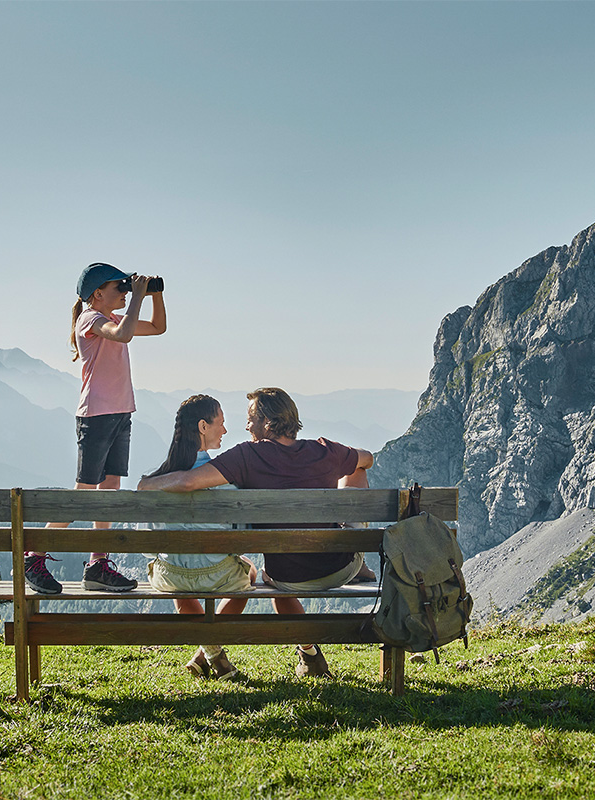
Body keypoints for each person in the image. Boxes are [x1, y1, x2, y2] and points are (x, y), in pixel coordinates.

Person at [138, 387, 374, 678]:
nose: (246, 425)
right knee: (356, 471)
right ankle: (358, 560)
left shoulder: (247, 457)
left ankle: (209, 652)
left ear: (267, 422)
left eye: (251, 418)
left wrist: (146, 484)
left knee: (266, 577)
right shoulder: (326, 450)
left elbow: (188, 482)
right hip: (342, 565)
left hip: (286, 578)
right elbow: (368, 459)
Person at [24, 262, 166, 595]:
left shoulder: (114, 316)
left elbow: (159, 327)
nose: (124, 291)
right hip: (96, 416)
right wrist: (138, 297)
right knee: (84, 492)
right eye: (119, 287)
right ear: (97, 294)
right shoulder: (90, 319)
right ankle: (35, 556)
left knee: (111, 488)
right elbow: (125, 334)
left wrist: (154, 294)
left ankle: (98, 563)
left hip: (119, 412)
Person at [141, 394, 255, 682]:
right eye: (221, 423)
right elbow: (239, 537)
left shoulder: (158, 480)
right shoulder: (225, 482)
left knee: (181, 579)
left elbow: (150, 537)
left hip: (172, 576)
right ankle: (215, 657)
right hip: (219, 575)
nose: (225, 431)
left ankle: (207, 655)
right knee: (249, 573)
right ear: (203, 426)